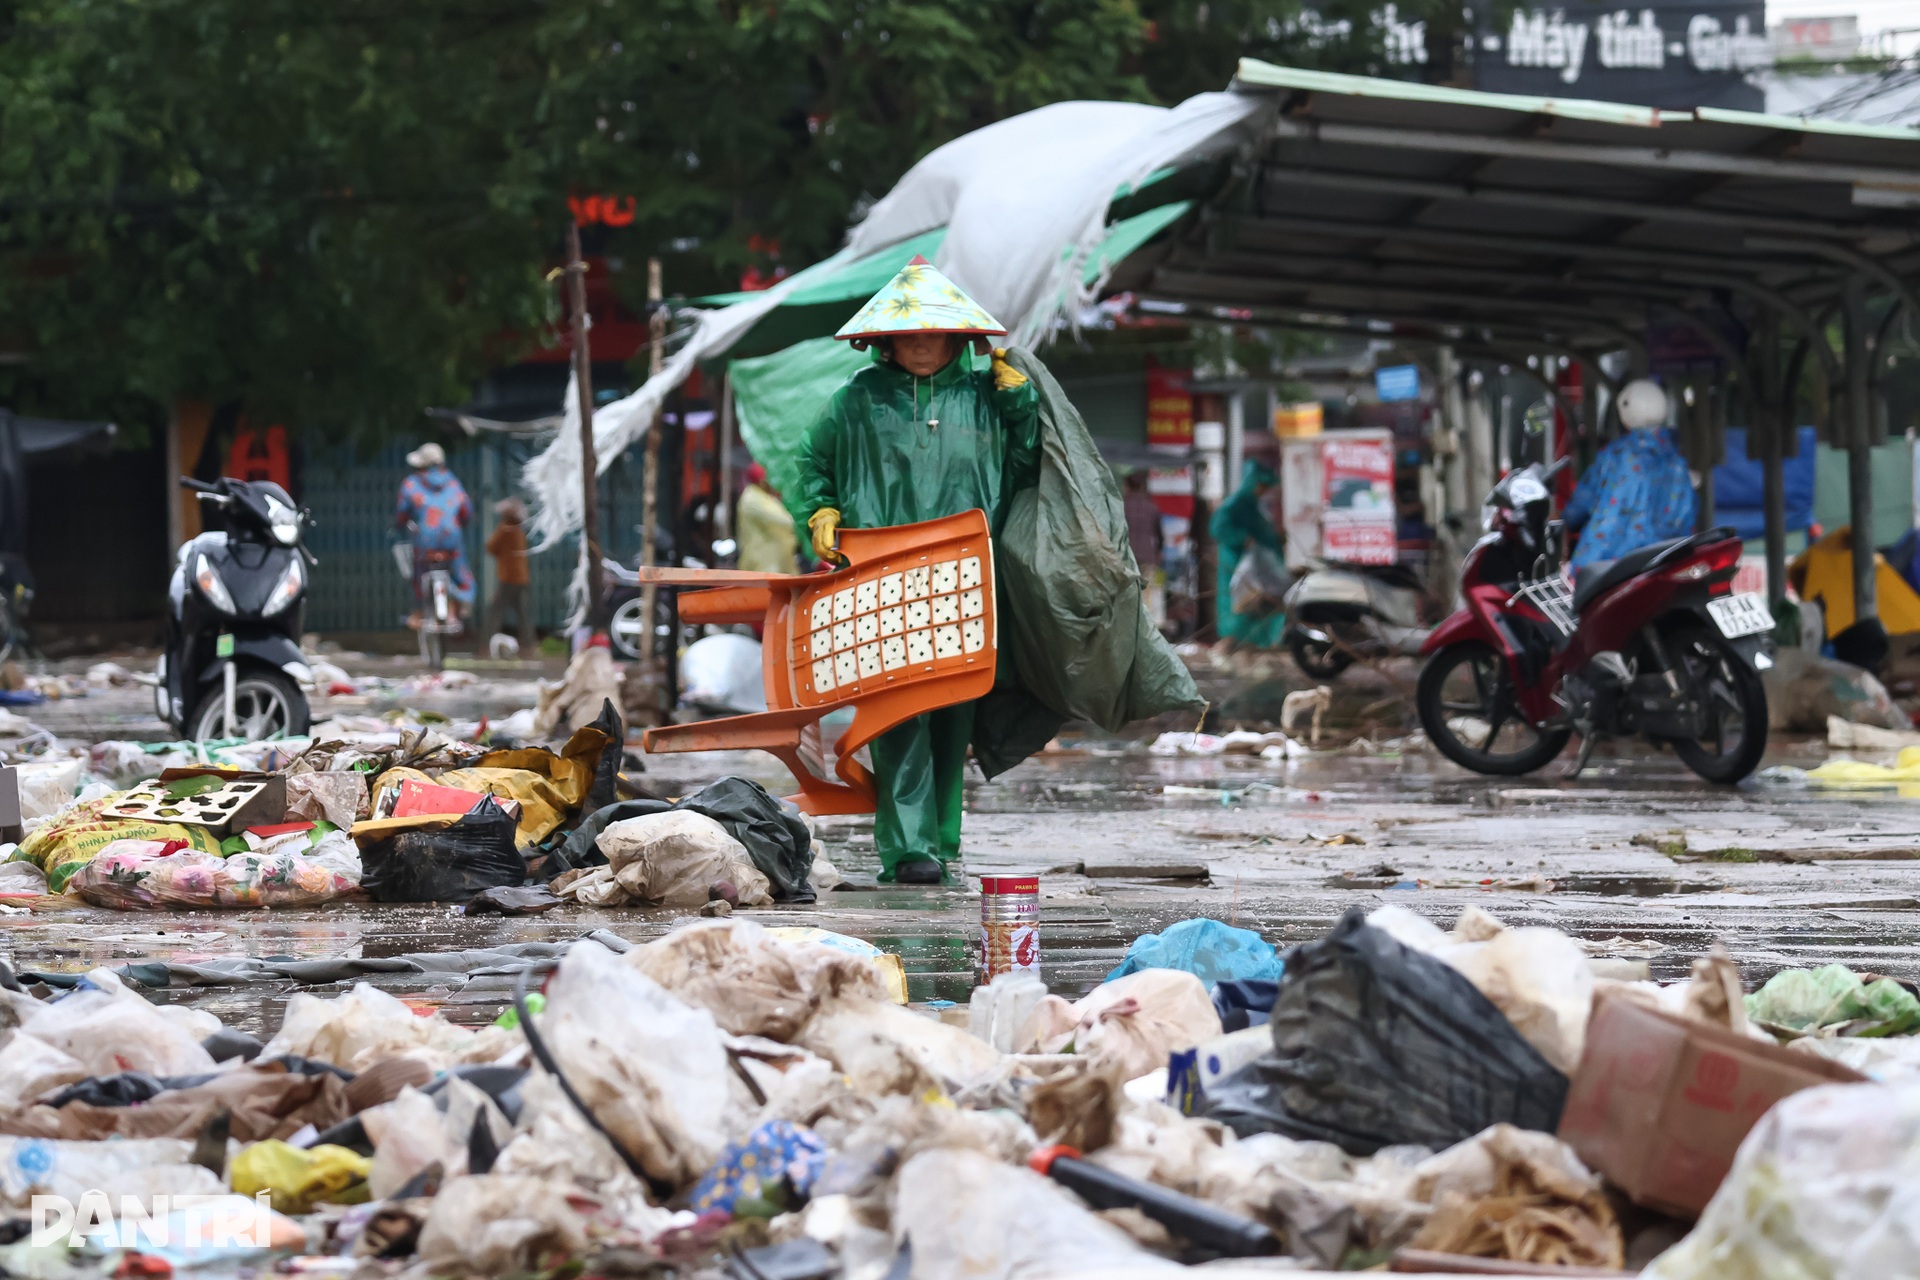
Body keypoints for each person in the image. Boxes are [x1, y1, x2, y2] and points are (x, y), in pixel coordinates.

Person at [792, 255, 1040, 885]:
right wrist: (819, 508)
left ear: (959, 337)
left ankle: (943, 838)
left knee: (954, 705)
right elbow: (811, 461)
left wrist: (1020, 405)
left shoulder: (988, 397)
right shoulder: (855, 401)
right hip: (879, 574)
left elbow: (1030, 466)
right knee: (896, 710)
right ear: (887, 338)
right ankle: (908, 849)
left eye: (935, 332)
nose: (922, 343)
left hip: (965, 575)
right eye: (910, 333)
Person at [1563, 378, 1697, 570]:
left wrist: (1565, 518)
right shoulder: (1677, 461)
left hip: (1615, 561)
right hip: (1669, 559)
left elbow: (1584, 500)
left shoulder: (1617, 455)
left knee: (1570, 589)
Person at [1211, 459, 1287, 650]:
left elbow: (1264, 536)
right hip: (1237, 566)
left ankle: (1259, 643)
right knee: (1239, 604)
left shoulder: (1256, 508)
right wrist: (1242, 538)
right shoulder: (1233, 505)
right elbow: (1218, 528)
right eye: (1260, 486)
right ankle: (1233, 641)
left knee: (1266, 602)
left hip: (1260, 568)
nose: (1262, 490)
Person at [394, 442, 474, 624]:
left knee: (419, 571)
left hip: (425, 540)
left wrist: (399, 525)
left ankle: (419, 610)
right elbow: (467, 512)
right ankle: (461, 599)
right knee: (459, 569)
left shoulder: (411, 484)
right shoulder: (453, 483)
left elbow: (402, 512)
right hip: (452, 538)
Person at [484, 497, 536, 654]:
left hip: (509, 579)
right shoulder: (518, 531)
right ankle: (529, 645)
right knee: (523, 614)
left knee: (495, 612)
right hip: (521, 578)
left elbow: (491, 547)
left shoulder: (506, 530)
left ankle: (486, 646)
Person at [735, 463, 798, 574]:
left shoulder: (764, 496)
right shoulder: (752, 498)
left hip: (778, 561)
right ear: (761, 480)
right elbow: (782, 520)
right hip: (763, 563)